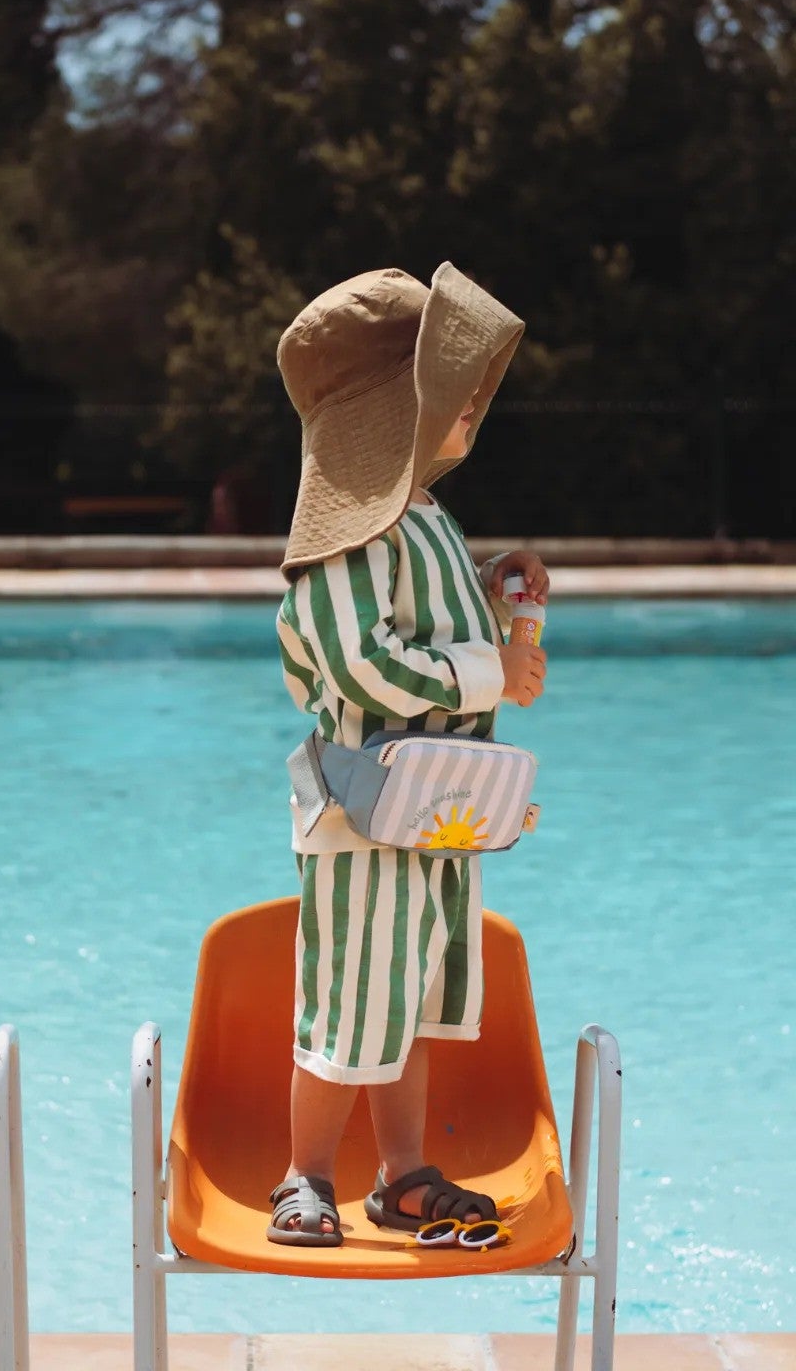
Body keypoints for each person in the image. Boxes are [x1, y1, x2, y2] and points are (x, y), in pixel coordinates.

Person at [267, 264, 548, 1247]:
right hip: (363, 821)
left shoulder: (418, 516)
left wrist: (488, 579)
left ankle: (401, 1173)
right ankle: (303, 1176)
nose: (473, 404)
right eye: (448, 390)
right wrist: (489, 675)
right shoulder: (343, 543)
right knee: (349, 998)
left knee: (414, 993)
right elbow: (361, 660)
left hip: (433, 814)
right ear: (391, 416)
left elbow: (420, 610)